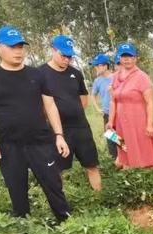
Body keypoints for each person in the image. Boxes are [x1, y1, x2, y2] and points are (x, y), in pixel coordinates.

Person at [0, 26, 72, 222]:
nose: (18, 51)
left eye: (21, 46)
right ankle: (23, 225)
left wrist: (59, 136)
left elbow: (50, 105)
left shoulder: (37, 75)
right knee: (16, 187)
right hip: (8, 144)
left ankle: (66, 220)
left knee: (53, 184)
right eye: (12, 47)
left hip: (40, 142)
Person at [39, 35, 101, 191]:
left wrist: (72, 111)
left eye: (70, 57)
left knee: (92, 164)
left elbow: (84, 99)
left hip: (81, 127)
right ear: (53, 50)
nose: (67, 60)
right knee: (57, 168)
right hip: (57, 131)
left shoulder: (76, 74)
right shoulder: (40, 74)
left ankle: (100, 198)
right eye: (63, 56)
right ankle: (63, 204)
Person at [106, 42, 153, 169]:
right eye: (124, 56)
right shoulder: (116, 77)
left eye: (130, 56)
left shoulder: (142, 77)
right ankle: (131, 173)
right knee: (125, 147)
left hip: (139, 120)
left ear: (135, 58)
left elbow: (150, 102)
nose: (127, 59)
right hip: (122, 121)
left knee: (144, 150)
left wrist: (149, 124)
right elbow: (113, 100)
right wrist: (110, 121)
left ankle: (149, 175)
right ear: (120, 58)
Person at [90, 53, 117, 160]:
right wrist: (97, 108)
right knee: (111, 137)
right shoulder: (97, 81)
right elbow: (93, 95)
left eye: (98, 65)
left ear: (105, 66)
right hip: (106, 113)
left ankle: (126, 159)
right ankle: (114, 159)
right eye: (95, 66)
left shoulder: (116, 77)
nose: (96, 68)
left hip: (118, 113)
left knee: (122, 137)